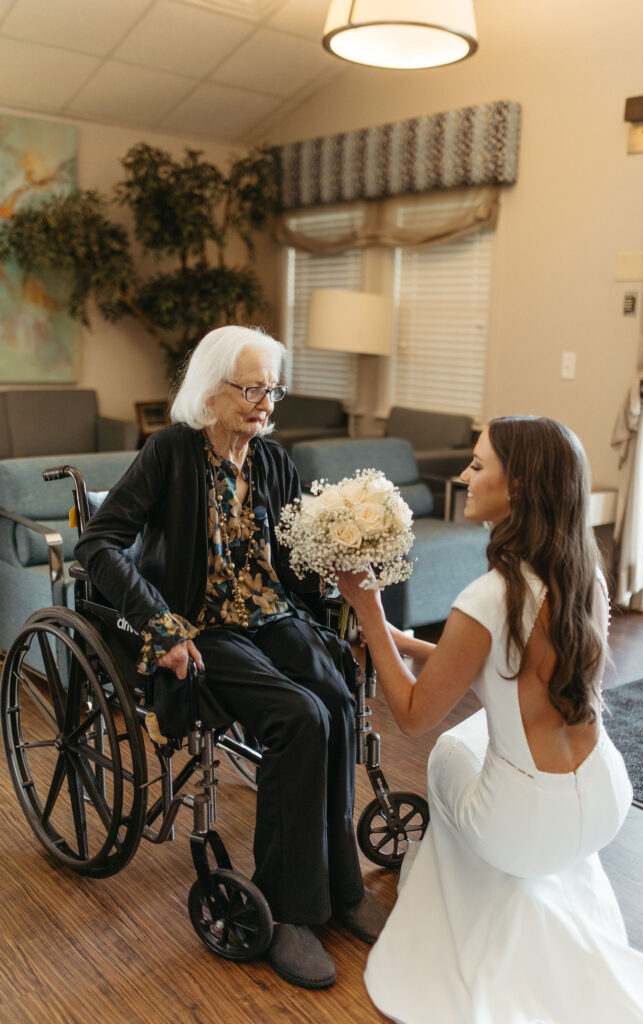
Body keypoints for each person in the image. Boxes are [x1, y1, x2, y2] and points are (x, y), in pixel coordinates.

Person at [338, 416, 643, 1024]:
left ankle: (471, 907)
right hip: (605, 800)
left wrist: (368, 611)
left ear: (517, 486)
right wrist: (404, 643)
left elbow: (414, 715)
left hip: (522, 828)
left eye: (478, 465)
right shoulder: (586, 577)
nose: (464, 476)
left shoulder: (488, 597)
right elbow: (505, 662)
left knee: (447, 750)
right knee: (480, 734)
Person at [74, 325, 387, 990]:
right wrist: (159, 624)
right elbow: (99, 544)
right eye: (250, 388)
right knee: (299, 717)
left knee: (334, 699)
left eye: (270, 389)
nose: (264, 402)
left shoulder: (272, 462)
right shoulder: (170, 453)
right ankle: (289, 912)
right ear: (210, 393)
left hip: (270, 615)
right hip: (201, 624)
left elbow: (295, 569)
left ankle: (342, 885)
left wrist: (337, 573)